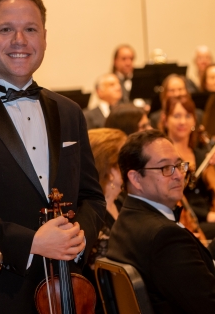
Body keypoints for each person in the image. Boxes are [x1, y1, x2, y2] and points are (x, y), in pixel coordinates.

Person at [0, 0, 105, 314]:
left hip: (70, 289)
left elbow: (93, 197)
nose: (19, 40)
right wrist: (31, 244)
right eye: (5, 29)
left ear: (44, 36)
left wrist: (78, 237)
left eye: (30, 29)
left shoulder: (69, 111)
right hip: (3, 293)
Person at [107, 129, 215, 313]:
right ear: (136, 178)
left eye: (179, 165)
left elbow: (195, 273)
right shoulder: (164, 236)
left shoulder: (128, 219)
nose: (179, 175)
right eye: (165, 168)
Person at [160, 96, 215, 238]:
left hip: (211, 216)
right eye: (176, 116)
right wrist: (210, 215)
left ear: (194, 120)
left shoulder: (201, 155)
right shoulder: (163, 159)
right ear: (166, 120)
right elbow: (171, 201)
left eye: (188, 116)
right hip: (184, 221)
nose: (183, 121)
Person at [85, 128, 126, 314]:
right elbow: (101, 271)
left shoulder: (122, 201)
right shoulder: (92, 212)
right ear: (110, 168)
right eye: (125, 161)